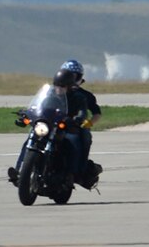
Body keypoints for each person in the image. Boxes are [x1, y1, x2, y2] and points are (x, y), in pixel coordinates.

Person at [34, 59, 103, 188]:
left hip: (74, 125)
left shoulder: (83, 95)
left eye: (74, 75)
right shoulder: (51, 92)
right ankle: (21, 169)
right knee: (34, 135)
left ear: (79, 77)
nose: (70, 77)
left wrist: (88, 123)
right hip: (52, 123)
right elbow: (40, 105)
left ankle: (77, 172)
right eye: (67, 73)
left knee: (83, 138)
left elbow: (97, 112)